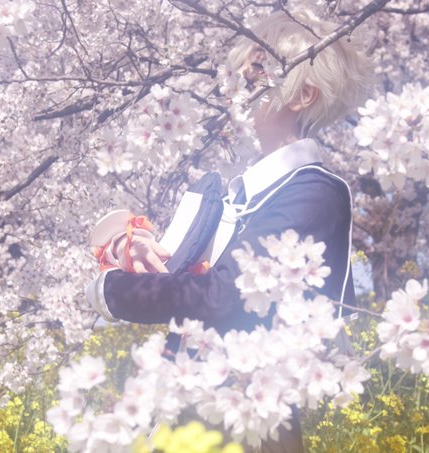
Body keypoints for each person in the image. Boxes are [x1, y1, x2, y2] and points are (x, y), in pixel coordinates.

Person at [87, 9, 371, 452]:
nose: (240, 80)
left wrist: (110, 290)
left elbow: (222, 296)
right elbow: (182, 275)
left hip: (248, 422)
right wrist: (137, 250)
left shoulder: (313, 193)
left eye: (258, 70)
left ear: (302, 95)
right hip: (189, 406)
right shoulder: (237, 193)